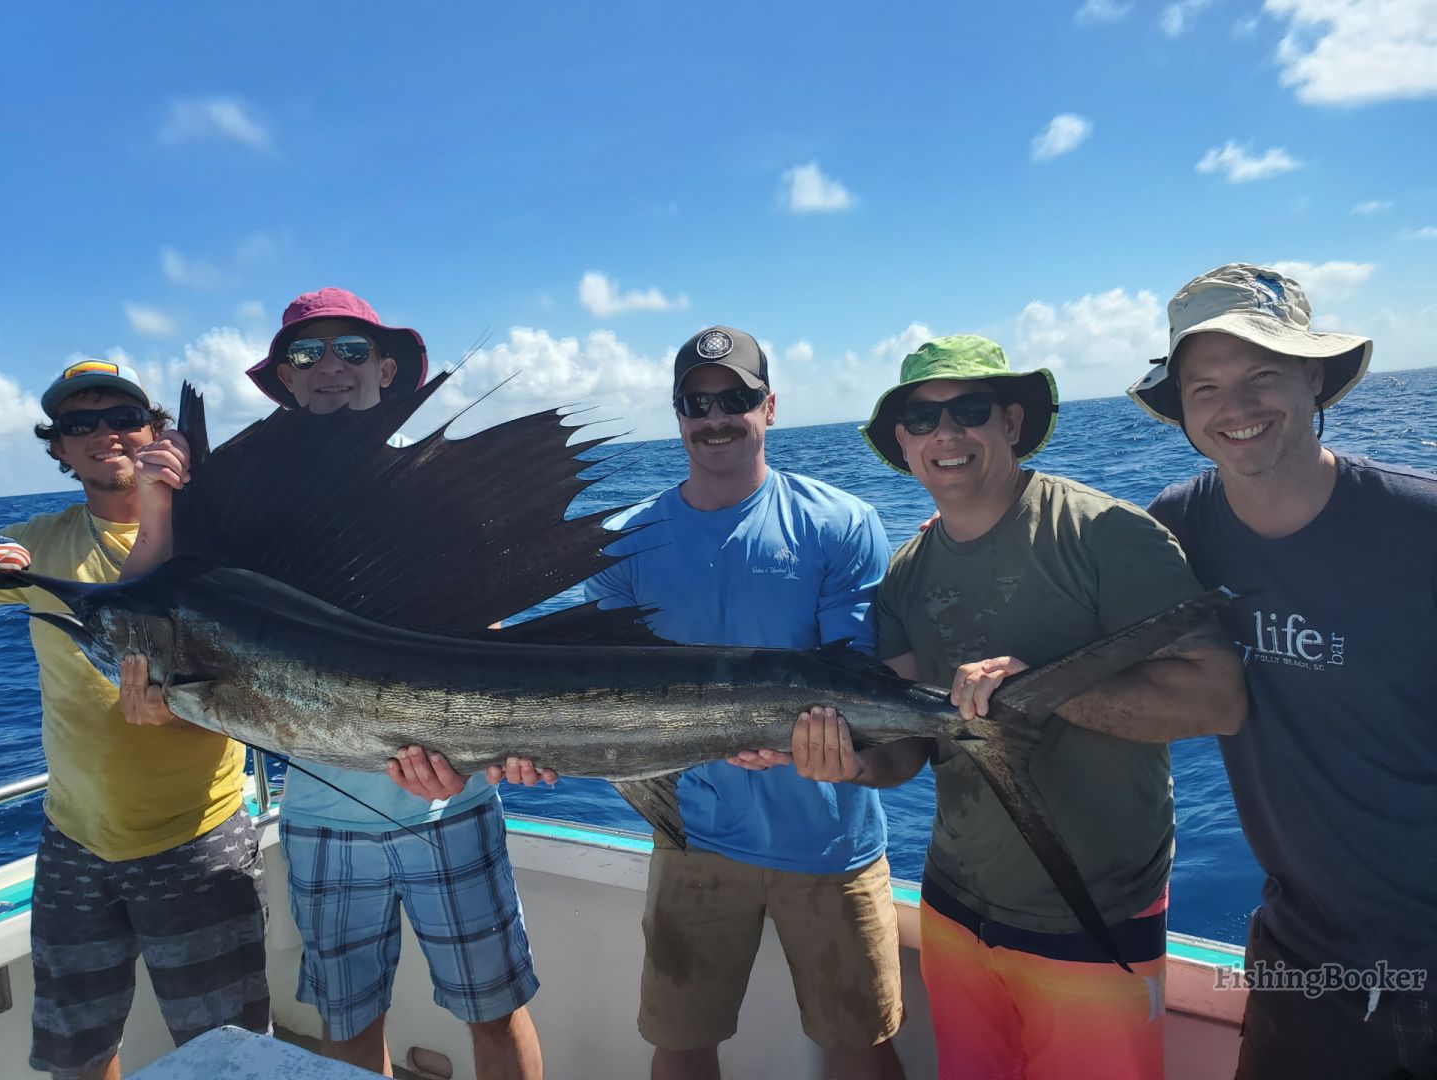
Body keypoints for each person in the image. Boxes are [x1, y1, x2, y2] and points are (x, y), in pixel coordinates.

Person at [394, 325, 906, 1080]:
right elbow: (584, 688)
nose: (716, 416)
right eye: (696, 403)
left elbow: (856, 687)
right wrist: (533, 749)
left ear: (771, 408)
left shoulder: (841, 523)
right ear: (677, 415)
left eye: (736, 398)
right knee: (681, 1044)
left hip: (828, 843)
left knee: (860, 1048)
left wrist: (838, 753)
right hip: (691, 834)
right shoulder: (628, 541)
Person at [786, 334, 1247, 1080]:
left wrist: (1048, 690)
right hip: (954, 910)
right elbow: (910, 749)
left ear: (1010, 421)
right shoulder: (904, 576)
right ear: (901, 441)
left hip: (1092, 918)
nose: (946, 434)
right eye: (922, 418)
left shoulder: (1105, 533)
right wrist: (852, 763)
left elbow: (1218, 698)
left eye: (968, 411)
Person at [123, 288, 544, 1079]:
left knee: (495, 1012)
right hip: (322, 817)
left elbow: (486, 640)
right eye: (306, 355)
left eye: (350, 350)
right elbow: (152, 613)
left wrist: (487, 749)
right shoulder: (249, 502)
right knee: (350, 1026)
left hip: (450, 804)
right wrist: (155, 507)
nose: (329, 369)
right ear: (285, 379)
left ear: (387, 368)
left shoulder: (436, 490)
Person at [1128, 263, 1437, 1080]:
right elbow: (1075, 644)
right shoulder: (1174, 530)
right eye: (1207, 387)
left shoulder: (1420, 526)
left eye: (1263, 374)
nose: (1237, 408)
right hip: (1303, 958)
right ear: (1182, 407)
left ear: (1313, 378)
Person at [0, 360, 269, 1080]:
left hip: (197, 839)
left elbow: (250, 691)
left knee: (230, 1062)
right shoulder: (36, 543)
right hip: (74, 844)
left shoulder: (213, 544)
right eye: (79, 424)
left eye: (121, 418)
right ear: (57, 448)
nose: (103, 434)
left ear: (156, 431)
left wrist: (158, 503)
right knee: (76, 1059)